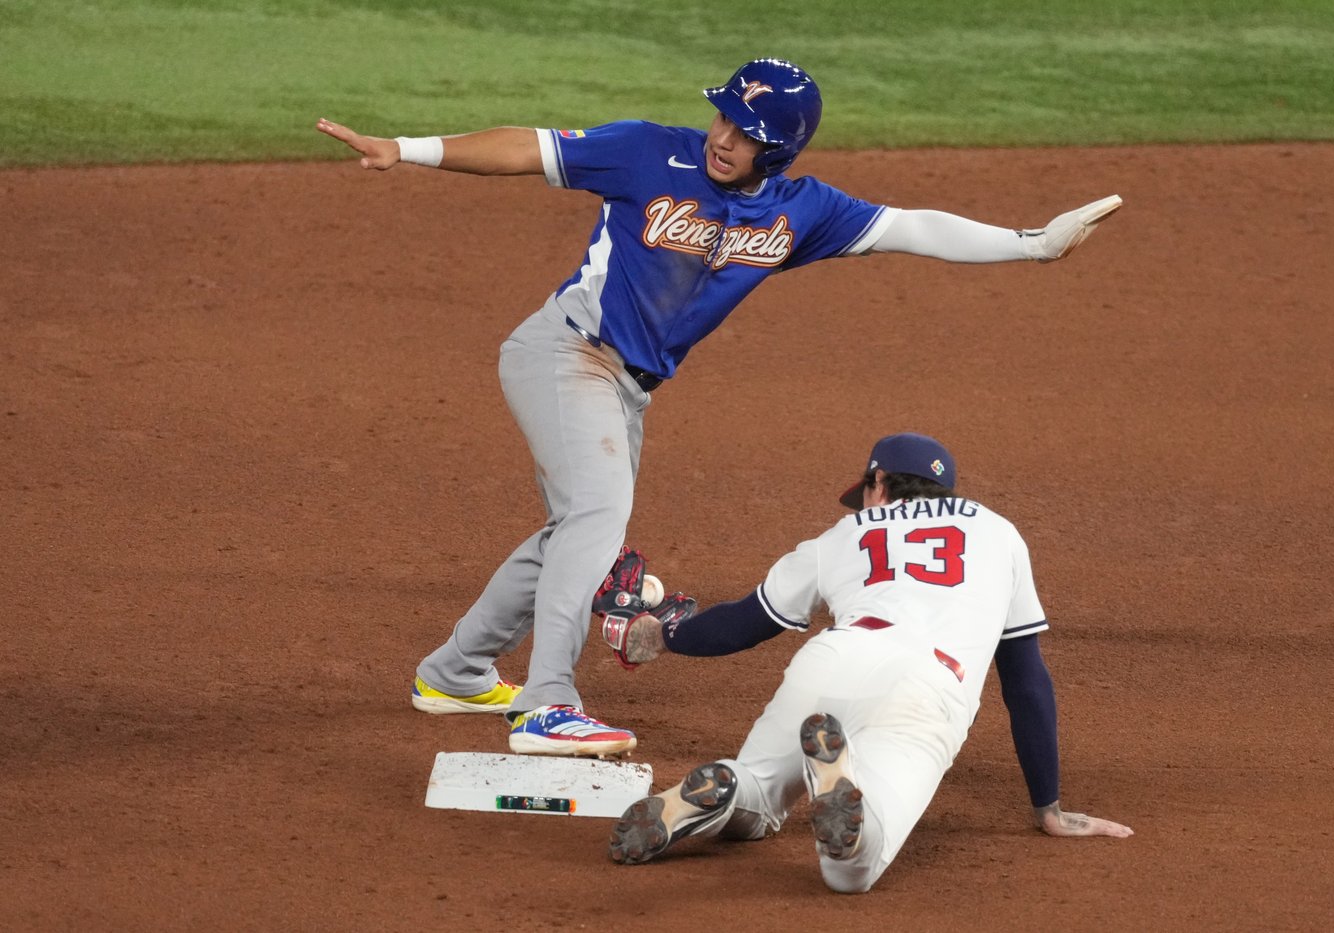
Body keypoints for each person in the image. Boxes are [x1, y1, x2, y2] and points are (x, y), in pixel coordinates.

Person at [315, 59, 1123, 759]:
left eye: (744, 130)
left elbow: (911, 226)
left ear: (780, 149)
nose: (723, 136)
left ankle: (456, 671)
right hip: (565, 351)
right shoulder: (647, 151)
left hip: (628, 386)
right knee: (597, 513)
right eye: (722, 115)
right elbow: (532, 146)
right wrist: (406, 150)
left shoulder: (802, 211)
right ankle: (548, 702)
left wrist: (1032, 244)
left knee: (576, 532)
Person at [604, 432, 1133, 893]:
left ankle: (731, 782)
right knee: (851, 869)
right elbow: (1025, 678)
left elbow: (741, 624)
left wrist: (657, 635)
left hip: (832, 659)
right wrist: (1049, 807)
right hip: (926, 686)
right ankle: (838, 781)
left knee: (762, 794)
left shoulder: (840, 536)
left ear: (880, 481)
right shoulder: (998, 533)